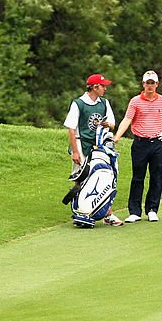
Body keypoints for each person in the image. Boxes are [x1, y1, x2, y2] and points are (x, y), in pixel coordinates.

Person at [113, 70, 162, 223]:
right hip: (140, 143)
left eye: (152, 83)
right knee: (138, 178)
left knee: (157, 177)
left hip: (157, 143)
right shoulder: (135, 101)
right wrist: (117, 137)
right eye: (147, 83)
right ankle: (135, 211)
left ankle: (152, 209)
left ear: (157, 84)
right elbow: (127, 120)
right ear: (143, 84)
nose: (150, 86)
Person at [62, 73, 122, 225]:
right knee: (80, 179)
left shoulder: (104, 103)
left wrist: (106, 124)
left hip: (100, 146)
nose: (105, 89)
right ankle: (80, 212)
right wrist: (75, 151)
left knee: (103, 177)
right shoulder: (79, 103)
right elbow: (71, 129)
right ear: (95, 87)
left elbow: (112, 123)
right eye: (103, 86)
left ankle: (108, 214)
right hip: (82, 145)